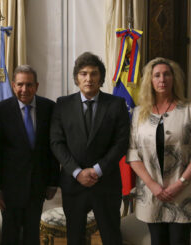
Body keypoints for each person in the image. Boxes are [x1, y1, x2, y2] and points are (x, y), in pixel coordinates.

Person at [126, 57, 191, 245]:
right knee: (157, 241)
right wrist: (152, 185)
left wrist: (180, 184)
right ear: (150, 80)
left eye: (166, 74)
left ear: (174, 79)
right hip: (151, 192)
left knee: (180, 241)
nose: (162, 79)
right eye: (156, 75)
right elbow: (133, 154)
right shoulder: (139, 113)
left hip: (184, 192)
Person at [50, 52, 130, 245]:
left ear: (101, 78)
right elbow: (56, 142)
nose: (89, 78)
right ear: (76, 78)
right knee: (75, 239)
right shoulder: (62, 104)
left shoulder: (116, 104)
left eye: (94, 73)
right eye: (83, 73)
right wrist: (77, 172)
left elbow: (121, 142)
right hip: (73, 184)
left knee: (111, 237)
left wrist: (97, 170)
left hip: (106, 183)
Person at [0, 65, 60, 245]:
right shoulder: (1, 110)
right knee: (10, 235)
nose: (24, 90)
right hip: (10, 187)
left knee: (31, 235)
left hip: (38, 184)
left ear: (36, 86)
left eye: (29, 85)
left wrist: (53, 182)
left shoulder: (49, 108)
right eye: (20, 85)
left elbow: (53, 149)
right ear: (13, 85)